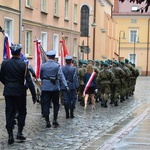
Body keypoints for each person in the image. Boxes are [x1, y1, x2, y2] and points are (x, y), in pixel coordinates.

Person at [0, 44, 37, 145]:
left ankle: (10, 135)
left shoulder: (4, 63)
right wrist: (34, 95)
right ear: (20, 53)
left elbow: (1, 77)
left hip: (8, 91)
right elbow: (29, 81)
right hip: (20, 92)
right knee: (22, 111)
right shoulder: (23, 65)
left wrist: (8, 85)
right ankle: (19, 132)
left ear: (11, 52)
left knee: (9, 112)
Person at [40, 50, 69, 128]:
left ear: (48, 57)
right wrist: (66, 85)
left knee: (46, 104)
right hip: (55, 88)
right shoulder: (57, 66)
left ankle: (47, 121)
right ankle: (55, 120)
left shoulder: (43, 66)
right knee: (56, 104)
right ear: (54, 57)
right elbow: (61, 76)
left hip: (45, 88)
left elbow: (41, 76)